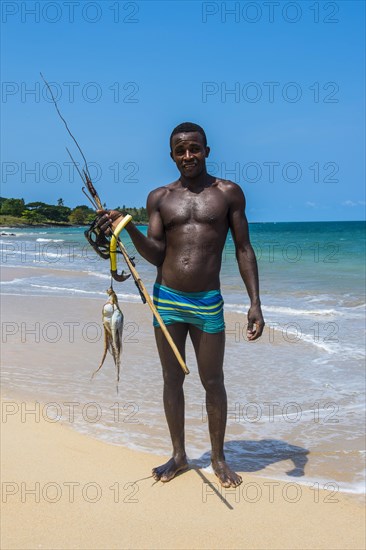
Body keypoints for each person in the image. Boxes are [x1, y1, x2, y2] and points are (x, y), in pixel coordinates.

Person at [97, 122, 264, 488]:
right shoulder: (160, 197)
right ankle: (179, 455)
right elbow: (156, 254)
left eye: (194, 148)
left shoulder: (228, 193)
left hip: (207, 302)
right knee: (172, 378)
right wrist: (128, 229)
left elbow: (243, 249)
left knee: (212, 380)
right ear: (171, 155)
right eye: (180, 150)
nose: (187, 156)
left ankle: (219, 459)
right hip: (168, 299)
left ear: (207, 150)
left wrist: (255, 301)